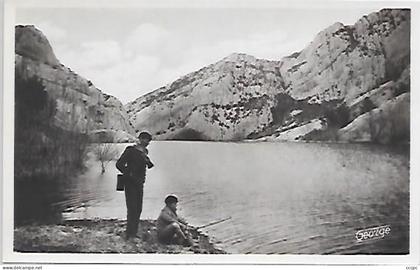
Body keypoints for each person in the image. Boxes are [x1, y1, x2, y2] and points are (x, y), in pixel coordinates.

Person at [116, 131, 154, 240]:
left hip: (140, 183)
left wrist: (147, 161)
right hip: (130, 183)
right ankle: (129, 234)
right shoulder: (130, 150)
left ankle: (134, 232)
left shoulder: (145, 152)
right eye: (145, 140)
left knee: (138, 208)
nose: (147, 143)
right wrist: (129, 173)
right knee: (132, 208)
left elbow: (147, 166)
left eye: (148, 141)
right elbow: (119, 164)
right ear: (140, 139)